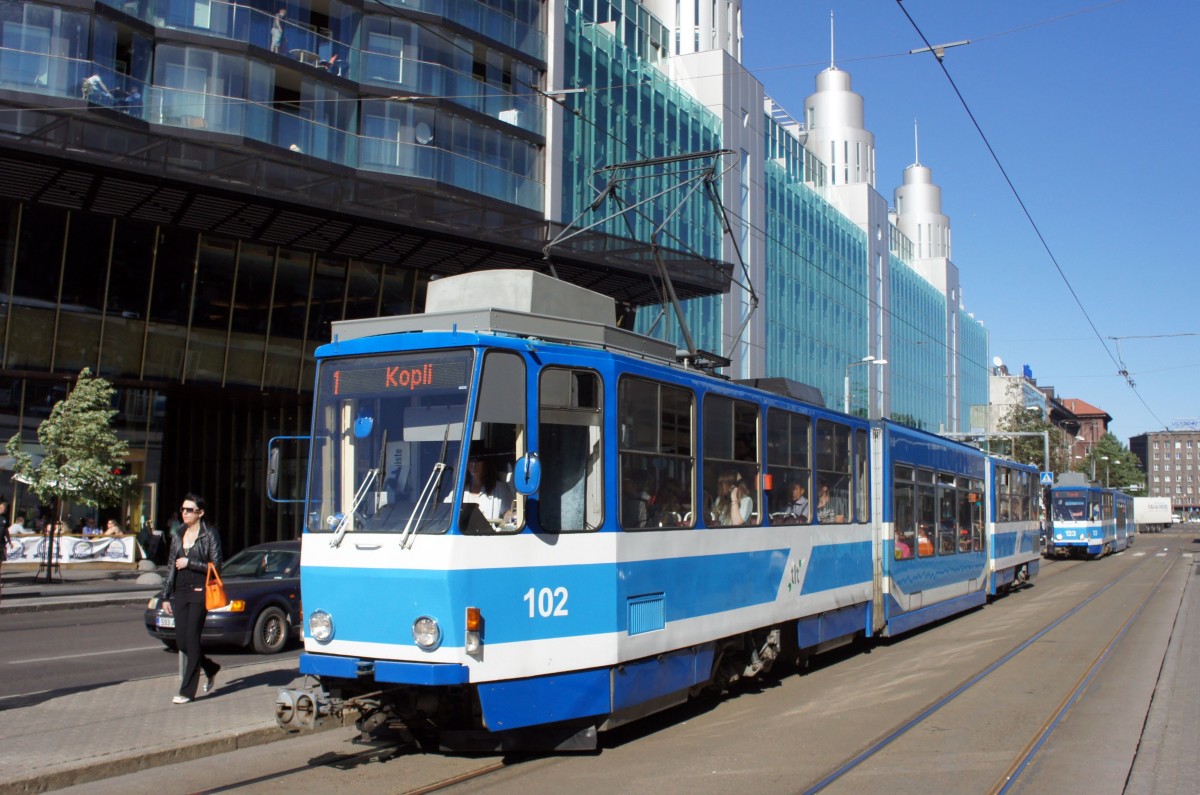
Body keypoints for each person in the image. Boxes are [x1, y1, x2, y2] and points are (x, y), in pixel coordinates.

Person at [160, 494, 222, 704]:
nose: (184, 513)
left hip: (200, 591)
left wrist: (191, 563)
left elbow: (216, 567)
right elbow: (171, 567)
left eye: (189, 510)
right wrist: (166, 595)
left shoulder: (209, 534)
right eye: (182, 509)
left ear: (200, 513)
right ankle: (210, 667)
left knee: (192, 637)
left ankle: (187, 691)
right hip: (180, 590)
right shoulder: (178, 534)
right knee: (182, 641)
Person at [461, 444, 514, 525]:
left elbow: (508, 513)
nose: (473, 465)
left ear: (486, 464)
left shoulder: (499, 488)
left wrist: (511, 517)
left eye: (478, 460)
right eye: (470, 460)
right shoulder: (458, 491)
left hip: (488, 536)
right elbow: (446, 511)